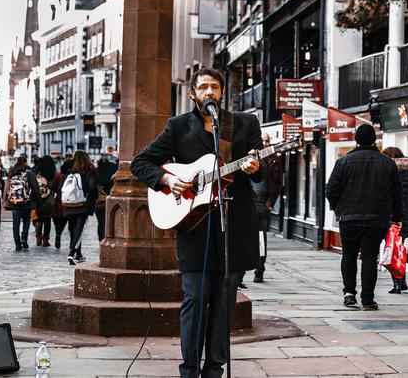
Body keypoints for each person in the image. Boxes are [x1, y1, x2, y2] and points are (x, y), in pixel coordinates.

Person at [131, 67, 262, 378]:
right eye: (202, 87)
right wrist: (166, 180)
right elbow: (141, 163)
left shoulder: (243, 124)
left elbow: (259, 174)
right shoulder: (178, 127)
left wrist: (255, 166)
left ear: (222, 92)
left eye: (214, 87)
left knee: (224, 303)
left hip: (234, 227)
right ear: (192, 93)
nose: (209, 92)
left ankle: (215, 368)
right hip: (194, 228)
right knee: (196, 298)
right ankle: (189, 369)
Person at [326, 124, 402, 311]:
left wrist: (338, 209)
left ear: (357, 140)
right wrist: (397, 216)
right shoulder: (387, 163)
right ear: (373, 139)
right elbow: (396, 193)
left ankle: (349, 294)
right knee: (370, 257)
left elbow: (331, 189)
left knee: (349, 255)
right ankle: (368, 299)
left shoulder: (343, 162)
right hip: (377, 218)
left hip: (349, 217)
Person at [381, 146, 408, 294]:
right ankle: (401, 280)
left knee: (393, 249)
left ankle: (398, 282)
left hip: (392, 216)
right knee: (400, 248)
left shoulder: (387, 171)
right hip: (407, 216)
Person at [250, 132, 282, 283]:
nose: (265, 144)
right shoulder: (248, 158)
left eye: (267, 141)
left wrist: (270, 203)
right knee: (243, 240)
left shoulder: (273, 160)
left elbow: (277, 184)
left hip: (262, 205)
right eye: (263, 141)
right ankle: (240, 274)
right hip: (247, 205)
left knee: (261, 240)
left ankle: (259, 270)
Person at [61, 151, 98, 265]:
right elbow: (92, 187)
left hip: (69, 204)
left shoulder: (70, 172)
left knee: (73, 228)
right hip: (82, 204)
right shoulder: (89, 171)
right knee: (79, 229)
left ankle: (78, 253)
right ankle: (72, 252)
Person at [4, 156, 41, 251]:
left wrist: (5, 200)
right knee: (26, 221)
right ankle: (24, 239)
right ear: (25, 162)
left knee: (15, 224)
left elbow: (7, 187)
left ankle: (17, 244)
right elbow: (35, 188)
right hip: (27, 202)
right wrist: (38, 200)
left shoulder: (12, 173)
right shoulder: (29, 174)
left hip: (14, 202)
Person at [33, 156, 57, 247]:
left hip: (37, 198)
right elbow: (53, 186)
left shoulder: (36, 171)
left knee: (38, 218)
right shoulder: (52, 173)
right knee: (47, 219)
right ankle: (45, 240)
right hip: (48, 199)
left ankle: (38, 237)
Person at [95, 154, 118, 242]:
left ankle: (101, 240)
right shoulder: (112, 173)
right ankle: (108, 237)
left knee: (100, 222)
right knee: (108, 221)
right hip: (109, 200)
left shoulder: (96, 172)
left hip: (98, 201)